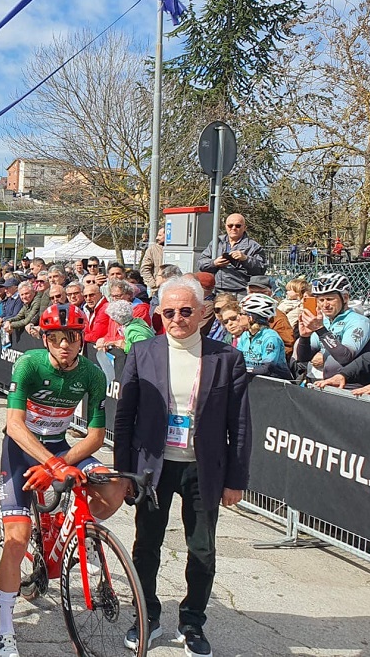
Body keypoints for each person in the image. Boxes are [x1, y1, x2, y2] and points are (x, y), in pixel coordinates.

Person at [113, 276, 252, 656]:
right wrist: (124, 472)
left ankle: (192, 622)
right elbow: (124, 418)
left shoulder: (227, 358)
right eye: (169, 311)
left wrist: (236, 479)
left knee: (202, 550)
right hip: (153, 468)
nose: (178, 318)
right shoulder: (143, 352)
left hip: (203, 468)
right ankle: (147, 616)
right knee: (147, 546)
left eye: (186, 311)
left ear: (204, 313)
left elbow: (239, 424)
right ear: (159, 314)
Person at [0, 303, 127, 657]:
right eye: (56, 339)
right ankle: (6, 629)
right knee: (17, 540)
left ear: (82, 339)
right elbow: (15, 425)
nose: (64, 345)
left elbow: (95, 438)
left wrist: (57, 464)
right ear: (47, 340)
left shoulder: (92, 374)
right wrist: (51, 463)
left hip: (60, 449)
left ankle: (82, 533)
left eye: (71, 338)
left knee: (114, 486)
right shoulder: (29, 364)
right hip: (22, 450)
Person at [293, 273, 370, 382]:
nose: (325, 305)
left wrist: (320, 330)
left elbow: (345, 357)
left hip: (351, 386)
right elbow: (303, 358)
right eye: (321, 300)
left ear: (345, 298)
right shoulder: (325, 322)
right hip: (324, 383)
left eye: (330, 299)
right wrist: (305, 337)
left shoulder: (359, 322)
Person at [196, 213, 266, 296]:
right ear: (225, 226)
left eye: (238, 226)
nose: (233, 228)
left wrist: (245, 259)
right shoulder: (216, 243)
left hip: (241, 293)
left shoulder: (253, 246)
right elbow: (201, 263)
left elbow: (261, 269)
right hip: (218, 292)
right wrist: (214, 263)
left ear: (244, 228)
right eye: (230, 225)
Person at [236, 294, 293, 379]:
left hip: (277, 383)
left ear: (250, 318)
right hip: (255, 382)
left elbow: (267, 368)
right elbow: (236, 360)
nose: (238, 317)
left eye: (241, 314)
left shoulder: (270, 337)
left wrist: (243, 370)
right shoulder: (245, 335)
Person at [245, 275, 293, 356]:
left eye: (260, 293)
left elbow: (288, 346)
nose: (255, 296)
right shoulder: (243, 314)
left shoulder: (278, 317)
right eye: (252, 292)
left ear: (270, 294)